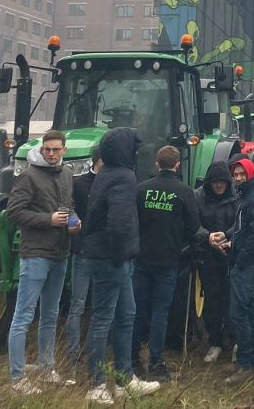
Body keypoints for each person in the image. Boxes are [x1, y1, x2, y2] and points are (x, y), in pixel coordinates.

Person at [81, 128, 159, 404]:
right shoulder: (124, 178)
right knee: (103, 319)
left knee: (127, 315)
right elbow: (119, 222)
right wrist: (119, 255)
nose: (137, 154)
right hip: (112, 258)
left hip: (115, 257)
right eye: (134, 150)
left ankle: (125, 379)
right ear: (125, 151)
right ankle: (97, 383)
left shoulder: (105, 173)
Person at [6, 130, 79, 395]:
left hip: (60, 253)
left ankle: (47, 370)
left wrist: (74, 222)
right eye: (47, 149)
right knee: (23, 316)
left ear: (64, 150)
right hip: (35, 253)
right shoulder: (29, 176)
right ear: (42, 149)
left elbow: (68, 206)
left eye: (55, 150)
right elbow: (14, 212)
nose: (50, 154)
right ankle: (18, 379)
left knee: (50, 315)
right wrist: (47, 220)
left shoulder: (67, 174)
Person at [132, 145, 208, 380]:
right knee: (160, 313)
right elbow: (193, 228)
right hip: (168, 262)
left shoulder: (142, 189)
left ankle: (132, 361)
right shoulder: (184, 192)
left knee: (137, 311)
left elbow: (133, 222)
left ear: (156, 164)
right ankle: (156, 364)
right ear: (177, 165)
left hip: (141, 259)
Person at [222, 157, 254, 383]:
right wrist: (228, 235)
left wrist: (239, 257)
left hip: (249, 262)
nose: (238, 178)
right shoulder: (245, 194)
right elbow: (243, 227)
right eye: (236, 174)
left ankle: (245, 363)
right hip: (246, 258)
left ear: (251, 174)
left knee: (238, 312)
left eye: (242, 174)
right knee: (248, 308)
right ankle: (251, 360)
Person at [195, 161, 238, 363]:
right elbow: (193, 224)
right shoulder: (198, 198)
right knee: (212, 298)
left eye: (222, 182)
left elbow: (241, 223)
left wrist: (228, 237)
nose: (219, 186)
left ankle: (233, 338)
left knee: (232, 298)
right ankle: (215, 341)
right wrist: (208, 237)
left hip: (231, 255)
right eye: (215, 182)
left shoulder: (237, 197)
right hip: (208, 255)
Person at [64, 155, 102, 361]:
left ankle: (94, 350)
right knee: (78, 304)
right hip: (84, 251)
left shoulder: (109, 183)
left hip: (100, 253)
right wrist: (75, 234)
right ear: (98, 160)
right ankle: (73, 352)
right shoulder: (79, 184)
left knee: (97, 305)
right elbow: (70, 209)